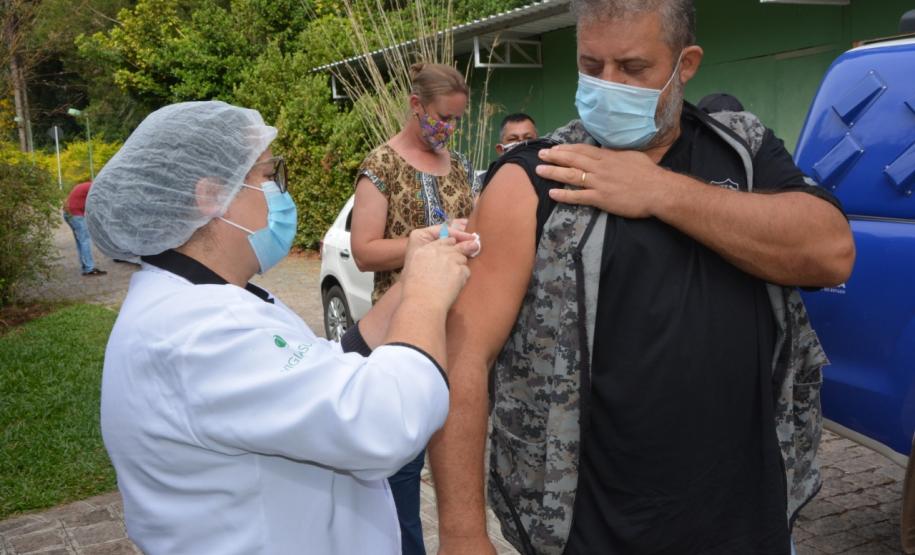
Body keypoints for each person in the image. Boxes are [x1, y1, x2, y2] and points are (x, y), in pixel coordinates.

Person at [429, 1, 855, 554]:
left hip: (751, 524)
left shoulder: (741, 152)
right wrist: (462, 532)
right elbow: (463, 353)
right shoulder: (535, 178)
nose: (608, 84)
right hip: (592, 532)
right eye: (591, 65)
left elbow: (830, 251)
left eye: (632, 68)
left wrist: (659, 191)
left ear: (686, 64)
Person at [85, 101, 478, 555]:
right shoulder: (199, 333)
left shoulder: (209, 300)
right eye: (268, 176)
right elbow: (388, 422)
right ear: (211, 196)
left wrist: (411, 275)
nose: (279, 193)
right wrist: (426, 298)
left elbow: (329, 367)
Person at [350, 62, 481, 555]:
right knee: (403, 470)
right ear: (415, 105)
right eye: (442, 117)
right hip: (402, 334)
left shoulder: (459, 164)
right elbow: (364, 251)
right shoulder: (381, 166)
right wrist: (429, 241)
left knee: (457, 461)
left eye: (456, 120)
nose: (449, 128)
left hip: (459, 333)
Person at [63, 180, 106, 276]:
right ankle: (89, 269)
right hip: (76, 215)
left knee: (81, 241)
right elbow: (97, 204)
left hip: (68, 214)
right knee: (85, 241)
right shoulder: (93, 187)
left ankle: (86, 267)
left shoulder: (83, 185)